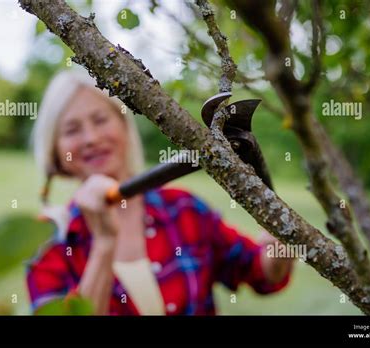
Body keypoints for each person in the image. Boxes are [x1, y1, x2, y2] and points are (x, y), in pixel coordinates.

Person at [27, 69, 294, 315]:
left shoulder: (184, 209)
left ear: (124, 127)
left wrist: (282, 238)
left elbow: (261, 272)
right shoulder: (46, 243)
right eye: (72, 129)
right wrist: (104, 244)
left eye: (100, 120)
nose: (91, 138)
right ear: (55, 151)